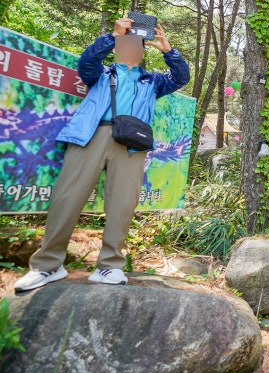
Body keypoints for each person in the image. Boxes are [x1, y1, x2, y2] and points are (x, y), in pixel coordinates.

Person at [14, 17, 190, 292]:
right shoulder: (100, 73)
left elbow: (181, 77)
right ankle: (48, 266)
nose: (130, 49)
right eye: (125, 45)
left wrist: (169, 52)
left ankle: (110, 266)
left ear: (142, 52)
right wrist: (114, 36)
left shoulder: (151, 82)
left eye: (135, 45)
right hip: (90, 135)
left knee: (122, 204)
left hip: (131, 143)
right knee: (67, 197)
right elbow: (86, 61)